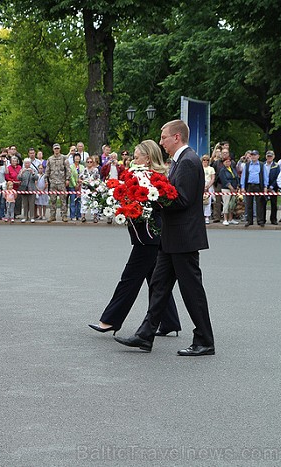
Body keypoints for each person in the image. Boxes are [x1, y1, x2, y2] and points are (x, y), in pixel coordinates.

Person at [115, 120, 215, 357]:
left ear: (177, 137)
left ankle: (204, 340)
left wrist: (153, 195)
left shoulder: (189, 162)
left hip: (184, 238)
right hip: (173, 237)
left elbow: (182, 200)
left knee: (192, 291)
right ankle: (145, 335)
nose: (161, 142)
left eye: (163, 137)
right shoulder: (182, 161)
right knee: (159, 287)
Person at [88, 140, 180, 336]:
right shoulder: (141, 175)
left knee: (129, 279)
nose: (133, 159)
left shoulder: (153, 178)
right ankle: (170, 321)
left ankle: (110, 320)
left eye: (137, 156)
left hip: (148, 235)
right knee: (156, 280)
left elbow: (152, 203)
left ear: (147, 158)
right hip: (147, 234)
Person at [240, 150, 266, 227]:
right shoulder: (247, 165)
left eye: (255, 155)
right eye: (252, 155)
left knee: (259, 204)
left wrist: (265, 186)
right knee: (249, 204)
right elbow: (243, 176)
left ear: (258, 156)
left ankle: (260, 220)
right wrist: (243, 187)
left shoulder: (262, 165)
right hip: (249, 186)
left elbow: (265, 176)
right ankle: (249, 220)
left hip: (258, 186)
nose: (253, 156)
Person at [45, 143, 69, 222]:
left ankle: (64, 216)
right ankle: (52, 216)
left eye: (58, 148)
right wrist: (46, 181)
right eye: (55, 148)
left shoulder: (64, 158)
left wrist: (67, 179)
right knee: (53, 200)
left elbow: (68, 170)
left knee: (63, 200)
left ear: (60, 149)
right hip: (53, 182)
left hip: (61, 182)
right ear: (53, 149)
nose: (56, 150)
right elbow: (47, 171)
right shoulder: (50, 159)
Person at [218, 156, 240, 226]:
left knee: (232, 204)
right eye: (226, 162)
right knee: (226, 203)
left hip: (234, 188)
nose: (228, 163)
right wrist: (231, 188)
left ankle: (231, 219)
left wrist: (237, 186)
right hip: (226, 189)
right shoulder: (222, 170)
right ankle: (225, 219)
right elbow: (224, 180)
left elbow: (236, 178)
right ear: (223, 163)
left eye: (229, 161)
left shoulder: (233, 169)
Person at [18, 158, 38, 222]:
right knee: (25, 204)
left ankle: (32, 217)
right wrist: (21, 173)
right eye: (26, 163)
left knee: (31, 203)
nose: (27, 164)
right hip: (24, 189)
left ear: (30, 164)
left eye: (28, 163)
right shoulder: (22, 170)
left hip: (32, 188)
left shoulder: (33, 169)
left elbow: (36, 178)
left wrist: (32, 173)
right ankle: (25, 217)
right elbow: (18, 178)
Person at [263, 151, 280, 225]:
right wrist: (265, 186)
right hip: (264, 187)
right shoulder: (262, 165)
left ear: (273, 157)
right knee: (263, 204)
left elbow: (278, 177)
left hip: (273, 187)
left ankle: (273, 219)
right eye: (268, 156)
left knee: (274, 204)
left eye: (270, 156)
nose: (269, 158)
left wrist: (272, 186)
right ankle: (262, 219)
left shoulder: (276, 165)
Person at [201, 155, 215, 224]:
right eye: (204, 160)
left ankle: (207, 216)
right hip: (201, 185)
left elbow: (213, 178)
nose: (205, 161)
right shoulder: (200, 168)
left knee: (208, 202)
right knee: (201, 202)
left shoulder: (211, 168)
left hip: (209, 185)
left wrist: (208, 186)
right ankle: (201, 216)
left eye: (207, 160)